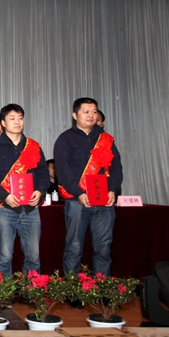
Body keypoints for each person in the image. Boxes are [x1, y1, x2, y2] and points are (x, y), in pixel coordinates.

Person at [53, 97, 122, 279]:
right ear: (75, 115)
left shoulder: (105, 139)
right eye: (86, 112)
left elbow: (116, 168)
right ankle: (72, 288)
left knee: (103, 248)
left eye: (94, 112)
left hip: (104, 202)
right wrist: (79, 193)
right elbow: (63, 171)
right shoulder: (65, 139)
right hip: (77, 201)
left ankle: (102, 287)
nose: (91, 115)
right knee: (74, 247)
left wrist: (112, 190)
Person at [0, 104, 49, 277]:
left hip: (31, 209)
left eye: (20, 118)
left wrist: (40, 191)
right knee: (5, 256)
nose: (17, 122)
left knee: (33, 256)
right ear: (3, 123)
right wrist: (4, 196)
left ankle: (32, 288)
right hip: (5, 208)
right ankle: (6, 290)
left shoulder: (33, 146)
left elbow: (43, 174)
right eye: (12, 118)